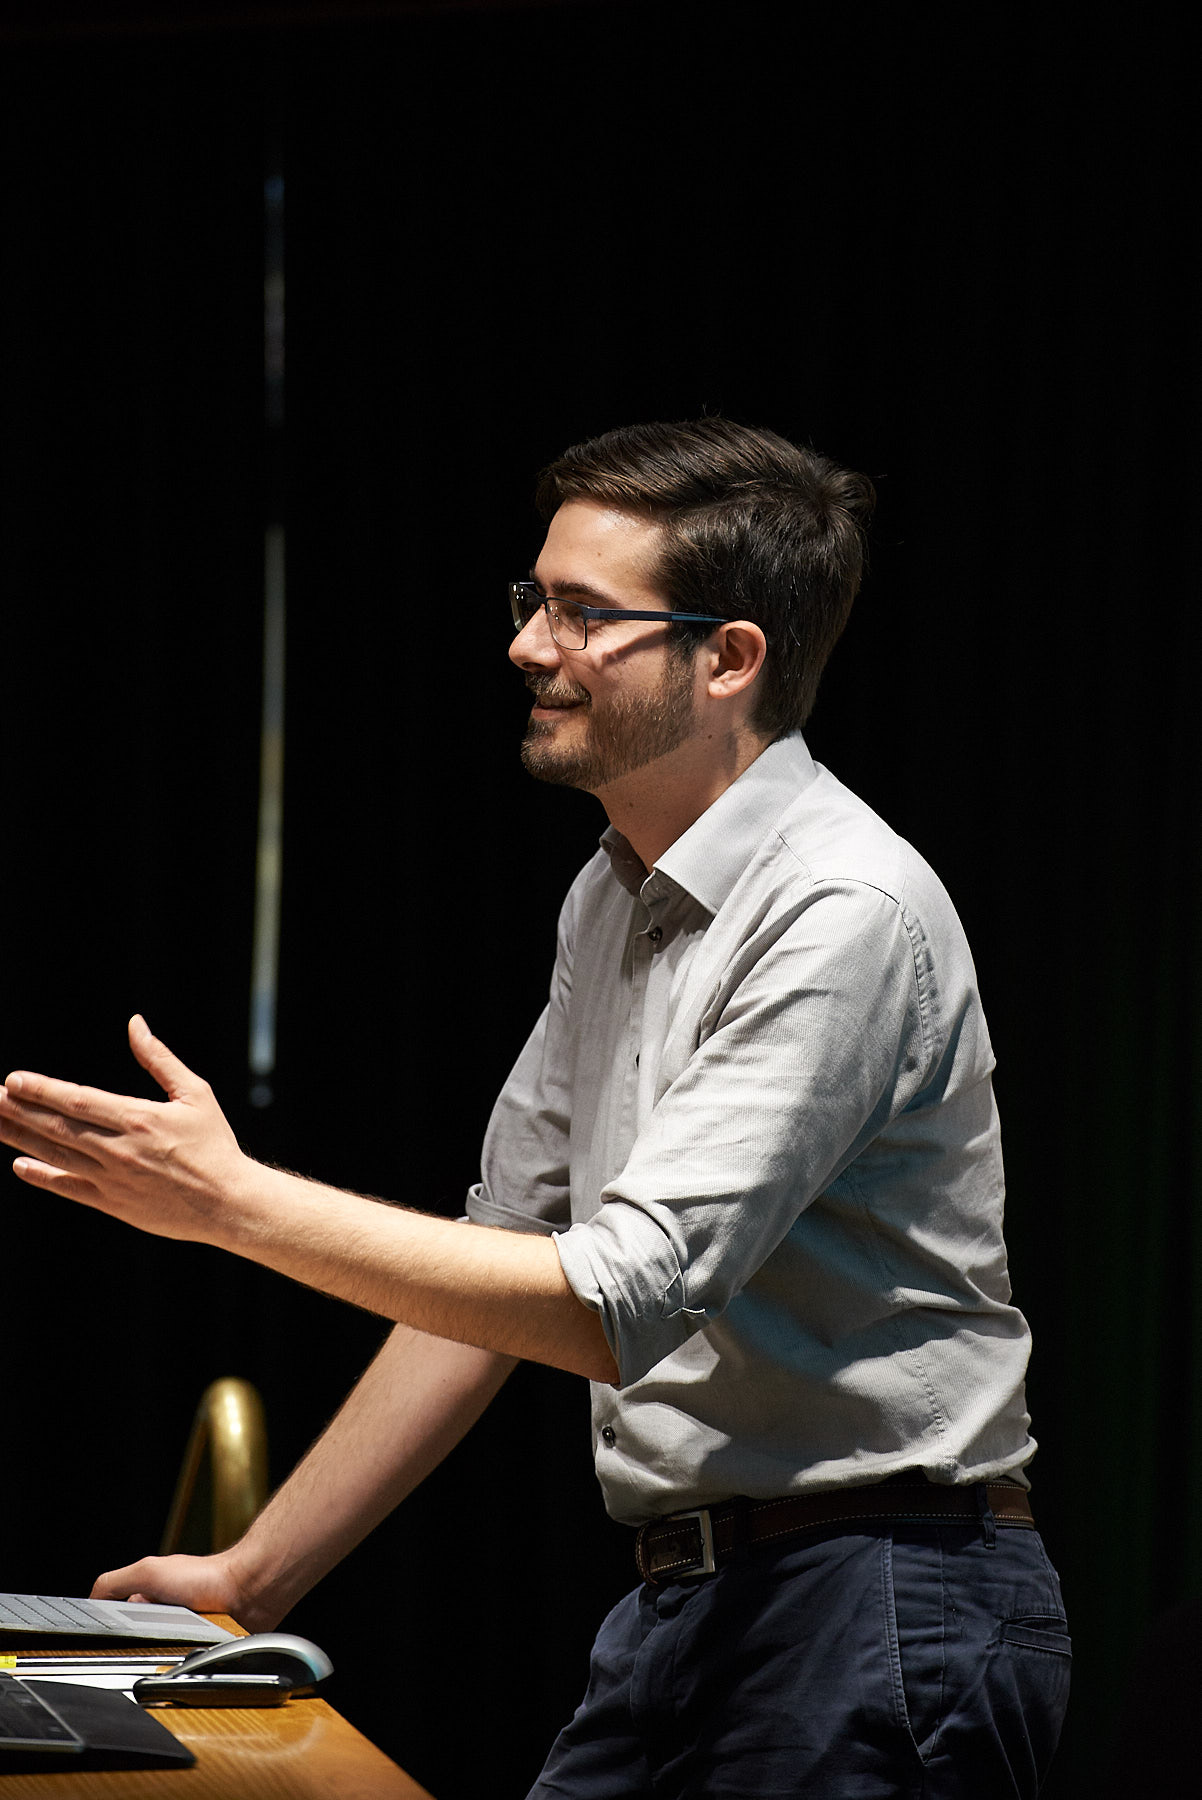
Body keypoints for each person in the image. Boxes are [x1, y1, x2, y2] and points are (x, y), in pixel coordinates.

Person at [0, 418, 1069, 1798]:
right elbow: (506, 1248)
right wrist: (252, 1575)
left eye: (581, 613)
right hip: (692, 1596)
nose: (526, 645)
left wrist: (233, 1203)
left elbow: (612, 1305)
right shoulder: (612, 889)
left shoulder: (838, 907)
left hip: (881, 1595)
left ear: (727, 659)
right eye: (533, 600)